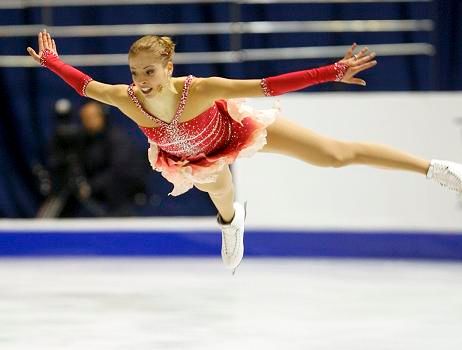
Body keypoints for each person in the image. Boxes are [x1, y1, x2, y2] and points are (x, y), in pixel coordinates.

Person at [27, 29, 462, 274]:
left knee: (334, 154)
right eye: (136, 71)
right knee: (220, 194)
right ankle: (232, 224)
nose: (141, 78)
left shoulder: (202, 90)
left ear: (169, 67)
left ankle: (435, 169)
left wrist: (332, 71)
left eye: (150, 70)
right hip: (194, 157)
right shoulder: (126, 98)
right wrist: (52, 63)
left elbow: (267, 86)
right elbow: (85, 85)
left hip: (239, 128)